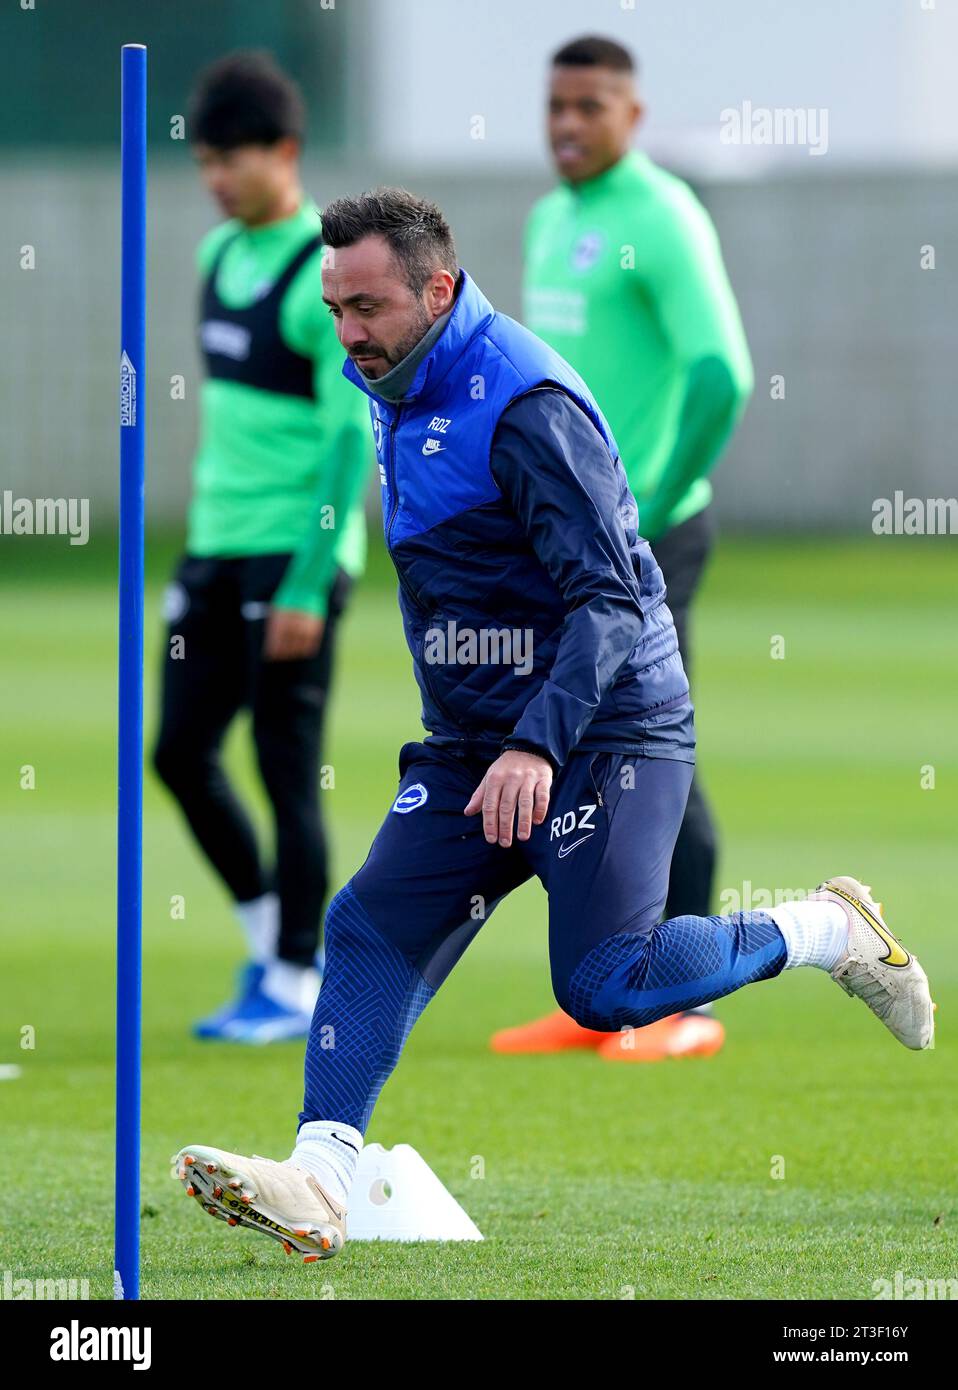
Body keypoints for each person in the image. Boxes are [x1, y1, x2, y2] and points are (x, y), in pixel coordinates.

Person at [172, 189, 934, 1262]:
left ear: (437, 291)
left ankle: (828, 930)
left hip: (608, 727)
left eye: (369, 308)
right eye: (335, 308)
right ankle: (321, 1178)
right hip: (476, 745)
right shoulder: (390, 376)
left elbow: (613, 600)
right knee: (369, 924)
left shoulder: (524, 403)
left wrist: (537, 738)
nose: (348, 334)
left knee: (603, 986)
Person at [494, 35, 754, 1062]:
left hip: (647, 537)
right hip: (573, 541)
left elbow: (721, 372)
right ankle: (600, 988)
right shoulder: (553, 216)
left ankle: (680, 1004)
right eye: (555, 104)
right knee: (592, 745)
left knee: (649, 740)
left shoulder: (662, 216)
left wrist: (656, 497)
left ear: (632, 116)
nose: (567, 124)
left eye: (590, 106)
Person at [152, 52, 370, 1043]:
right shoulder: (214, 256)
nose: (213, 179)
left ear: (283, 152)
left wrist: (307, 579)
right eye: (202, 162)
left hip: (293, 554)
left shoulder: (321, 270)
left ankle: (296, 973)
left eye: (229, 160)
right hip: (215, 545)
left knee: (288, 767)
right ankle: (265, 937)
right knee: (180, 752)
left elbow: (342, 436)